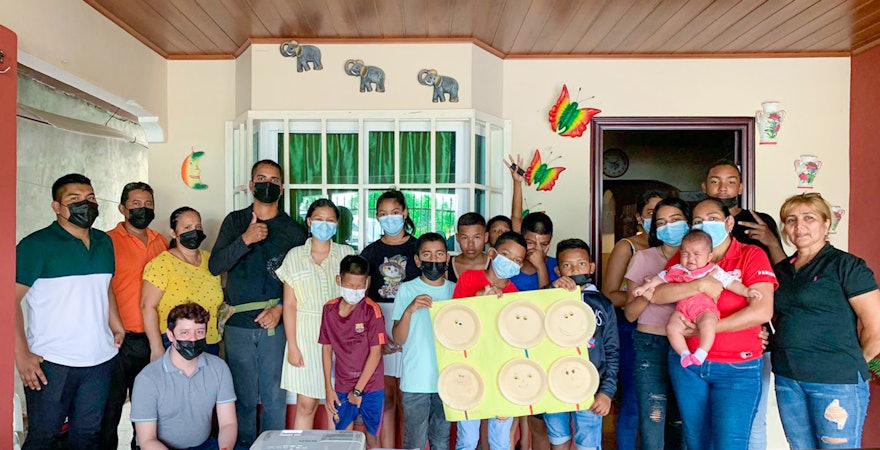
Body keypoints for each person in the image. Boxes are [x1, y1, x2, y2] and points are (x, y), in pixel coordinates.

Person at [650, 198, 776, 450]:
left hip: (737, 367)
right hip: (688, 368)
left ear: (729, 222)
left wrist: (705, 329)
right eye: (698, 221)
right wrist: (697, 285)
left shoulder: (751, 255)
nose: (705, 224)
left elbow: (762, 310)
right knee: (695, 441)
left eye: (713, 218)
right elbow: (657, 294)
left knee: (730, 442)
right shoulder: (684, 257)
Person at [15, 173, 123, 449]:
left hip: (99, 361)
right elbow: (8, 301)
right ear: (56, 206)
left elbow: (105, 286)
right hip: (52, 362)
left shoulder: (104, 242)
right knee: (43, 436)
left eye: (90, 198)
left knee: (87, 435)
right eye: (74, 199)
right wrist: (22, 354)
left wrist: (116, 323)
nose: (84, 205)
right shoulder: (35, 246)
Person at [209, 159, 307, 446]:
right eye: (262, 178)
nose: (268, 184)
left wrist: (279, 309)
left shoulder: (293, 230)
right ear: (251, 185)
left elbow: (302, 281)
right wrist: (245, 239)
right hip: (239, 323)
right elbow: (215, 265)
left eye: (274, 180)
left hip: (276, 323)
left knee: (275, 397)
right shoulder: (235, 221)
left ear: (281, 187)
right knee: (244, 396)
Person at [771, 193, 880, 449]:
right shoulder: (783, 270)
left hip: (836, 382)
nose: (799, 226)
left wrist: (849, 364)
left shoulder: (847, 266)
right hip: (788, 378)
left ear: (826, 224)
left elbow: (875, 328)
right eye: (791, 220)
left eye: (809, 218)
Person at [702, 160, 784, 450]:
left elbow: (782, 275)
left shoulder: (758, 221)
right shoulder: (699, 223)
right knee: (705, 423)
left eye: (730, 180)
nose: (723, 187)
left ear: (741, 186)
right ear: (704, 186)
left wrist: (772, 242)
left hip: (749, 333)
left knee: (750, 420)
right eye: (715, 180)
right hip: (700, 338)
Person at [100, 182, 169, 450]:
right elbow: (102, 289)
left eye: (148, 204)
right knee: (110, 408)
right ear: (122, 208)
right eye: (136, 204)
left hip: (153, 339)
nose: (143, 209)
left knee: (148, 410)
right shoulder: (106, 241)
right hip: (116, 339)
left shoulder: (161, 241)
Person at [275, 198, 355, 429]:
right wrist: (293, 346)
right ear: (309, 222)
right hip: (305, 335)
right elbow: (289, 305)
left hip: (341, 335)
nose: (324, 224)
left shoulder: (346, 255)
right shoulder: (295, 256)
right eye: (319, 219)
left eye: (330, 220)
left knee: (339, 403)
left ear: (337, 225)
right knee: (306, 404)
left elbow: (355, 299)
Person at [634, 230, 762, 367]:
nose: (691, 259)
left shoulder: (713, 270)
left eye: (697, 254)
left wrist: (747, 291)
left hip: (705, 310)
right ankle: (684, 354)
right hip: (682, 310)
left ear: (709, 257)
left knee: (708, 325)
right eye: (685, 254)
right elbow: (659, 278)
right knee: (671, 327)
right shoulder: (677, 269)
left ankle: (701, 352)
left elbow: (731, 283)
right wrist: (643, 288)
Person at [623, 197, 691, 450]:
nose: (668, 227)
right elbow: (630, 313)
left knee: (685, 421)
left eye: (675, 220)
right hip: (650, 346)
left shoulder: (701, 258)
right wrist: (649, 292)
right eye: (661, 222)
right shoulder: (643, 258)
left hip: (689, 345)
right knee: (653, 421)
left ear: (688, 221)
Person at [452, 231, 527, 450]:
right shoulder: (469, 279)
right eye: (506, 255)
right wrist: (477, 302)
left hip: (502, 374)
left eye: (517, 261)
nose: (511, 263)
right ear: (492, 253)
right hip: (468, 369)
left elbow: (516, 342)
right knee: (467, 439)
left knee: (501, 440)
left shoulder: (516, 295)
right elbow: (454, 323)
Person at [601, 190, 663, 450]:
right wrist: (643, 294)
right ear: (640, 217)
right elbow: (609, 295)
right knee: (633, 402)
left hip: (668, 331)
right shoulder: (627, 247)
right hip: (631, 330)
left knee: (662, 405)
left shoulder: (684, 247)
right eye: (651, 213)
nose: (658, 220)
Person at [544, 239, 619, 450]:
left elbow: (612, 350)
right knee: (557, 438)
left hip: (590, 387)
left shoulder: (602, 304)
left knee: (587, 441)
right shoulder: (546, 298)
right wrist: (550, 290)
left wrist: (607, 392)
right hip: (553, 384)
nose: (575, 269)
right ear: (558, 270)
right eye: (567, 265)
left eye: (581, 264)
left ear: (591, 267)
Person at [130, 303, 237, 450]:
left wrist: (225, 448)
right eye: (185, 333)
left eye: (199, 332)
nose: (193, 339)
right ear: (170, 335)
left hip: (204, 445)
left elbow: (228, 424)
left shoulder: (219, 368)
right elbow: (147, 440)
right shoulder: (147, 380)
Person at [360, 189, 420, 447]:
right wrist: (375, 337)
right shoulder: (371, 252)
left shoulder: (419, 248)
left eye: (395, 213)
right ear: (376, 217)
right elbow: (362, 298)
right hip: (380, 322)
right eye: (383, 214)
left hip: (414, 321)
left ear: (405, 213)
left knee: (409, 397)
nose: (390, 219)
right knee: (386, 397)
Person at [392, 233, 455, 450]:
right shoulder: (407, 289)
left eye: (439, 254)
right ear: (418, 260)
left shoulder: (455, 290)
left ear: (447, 257)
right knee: (415, 442)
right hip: (415, 380)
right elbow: (398, 338)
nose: (434, 260)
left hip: (447, 379)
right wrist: (409, 310)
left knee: (441, 440)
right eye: (427, 255)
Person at [320, 255, 386, 449]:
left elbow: (376, 353)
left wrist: (358, 390)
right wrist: (328, 389)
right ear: (339, 281)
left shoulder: (372, 310)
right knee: (342, 438)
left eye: (360, 286)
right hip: (341, 384)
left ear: (366, 283)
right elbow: (326, 349)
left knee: (372, 437)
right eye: (350, 285)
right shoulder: (329, 310)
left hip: (371, 386)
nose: (355, 291)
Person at [142, 207, 223, 359]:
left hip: (210, 341)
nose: (195, 231)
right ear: (173, 233)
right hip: (176, 342)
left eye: (198, 227)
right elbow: (147, 307)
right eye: (187, 227)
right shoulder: (162, 263)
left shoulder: (212, 261)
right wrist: (156, 347)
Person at [447, 213, 488, 282]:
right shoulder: (447, 265)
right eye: (465, 238)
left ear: (486, 237)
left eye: (477, 237)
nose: (470, 244)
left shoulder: (496, 264)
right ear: (457, 238)